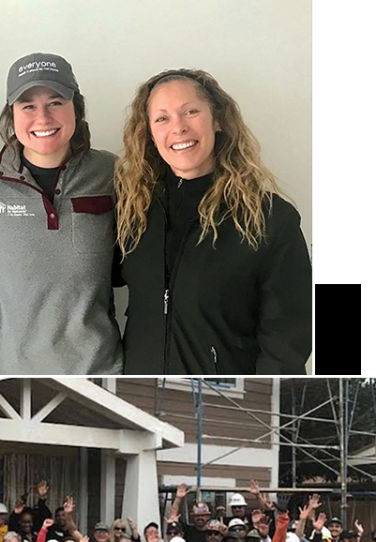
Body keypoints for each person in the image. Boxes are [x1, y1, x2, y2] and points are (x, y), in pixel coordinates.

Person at [114, 67, 311, 374]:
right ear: (149, 133)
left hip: (223, 397)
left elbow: (287, 341)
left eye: (190, 112)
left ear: (217, 119)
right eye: (162, 118)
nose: (178, 128)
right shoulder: (132, 210)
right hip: (146, 392)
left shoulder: (270, 218)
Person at [0, 52, 122, 374]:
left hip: (100, 370)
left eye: (55, 102)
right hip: (10, 372)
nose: (43, 118)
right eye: (28, 105)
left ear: (76, 106)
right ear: (12, 114)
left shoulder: (112, 173)